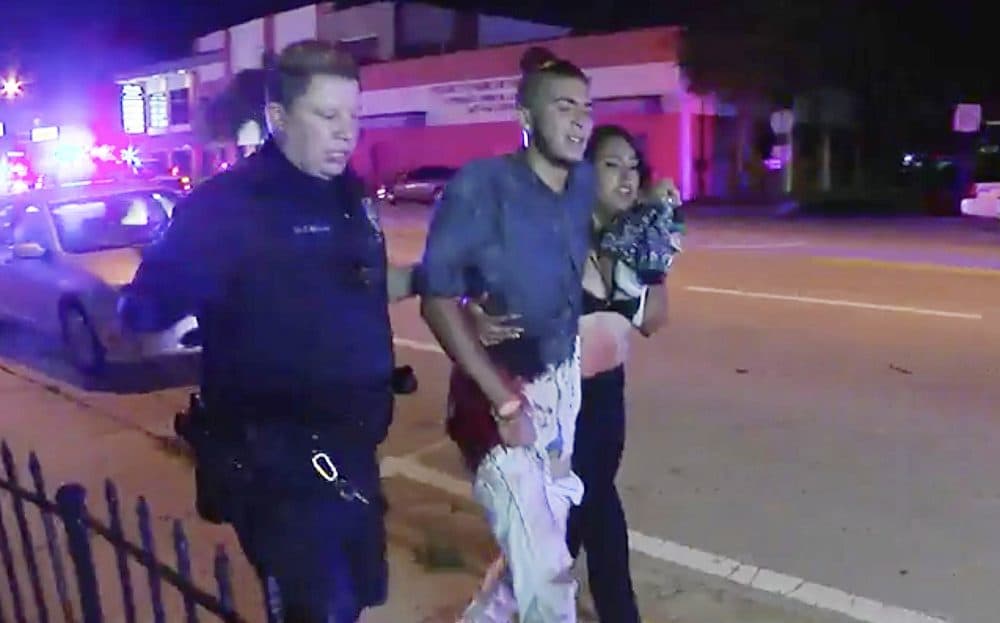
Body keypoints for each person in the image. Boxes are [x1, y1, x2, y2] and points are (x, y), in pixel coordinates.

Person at [118, 40, 419, 623]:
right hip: (275, 464)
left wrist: (442, 282)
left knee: (359, 597)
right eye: (326, 116)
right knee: (318, 609)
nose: (345, 133)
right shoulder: (227, 207)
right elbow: (142, 312)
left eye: (353, 116)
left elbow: (363, 284)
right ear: (278, 119)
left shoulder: (348, 197)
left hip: (351, 451)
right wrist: (187, 286)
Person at [465, 125, 684, 622]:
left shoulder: (634, 238)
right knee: (584, 518)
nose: (627, 176)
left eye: (633, 165)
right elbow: (476, 280)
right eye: (612, 164)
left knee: (579, 518)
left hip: (607, 397)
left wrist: (657, 266)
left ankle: (504, 610)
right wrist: (476, 311)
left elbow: (650, 321)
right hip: (555, 401)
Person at [419, 47, 595, 623]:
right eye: (564, 107)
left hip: (561, 383)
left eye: (586, 109)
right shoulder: (481, 186)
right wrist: (503, 397)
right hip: (498, 391)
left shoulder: (582, 185)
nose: (580, 121)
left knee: (537, 546)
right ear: (525, 119)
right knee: (546, 572)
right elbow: (436, 297)